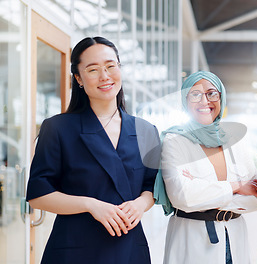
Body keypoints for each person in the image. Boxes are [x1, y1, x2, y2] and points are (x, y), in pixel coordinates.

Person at [26, 36, 160, 264]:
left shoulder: (146, 131)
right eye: (93, 69)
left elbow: (152, 186)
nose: (105, 76)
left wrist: (140, 205)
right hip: (75, 250)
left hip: (130, 249)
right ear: (78, 78)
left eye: (110, 66)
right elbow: (38, 195)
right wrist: (91, 205)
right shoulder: (58, 128)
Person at [158, 71, 257, 264]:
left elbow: (256, 197)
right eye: (195, 94)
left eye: (211, 93)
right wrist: (236, 186)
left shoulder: (234, 140)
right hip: (192, 240)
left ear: (221, 98)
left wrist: (203, 192)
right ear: (185, 100)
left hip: (234, 236)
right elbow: (182, 196)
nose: (204, 101)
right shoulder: (174, 140)